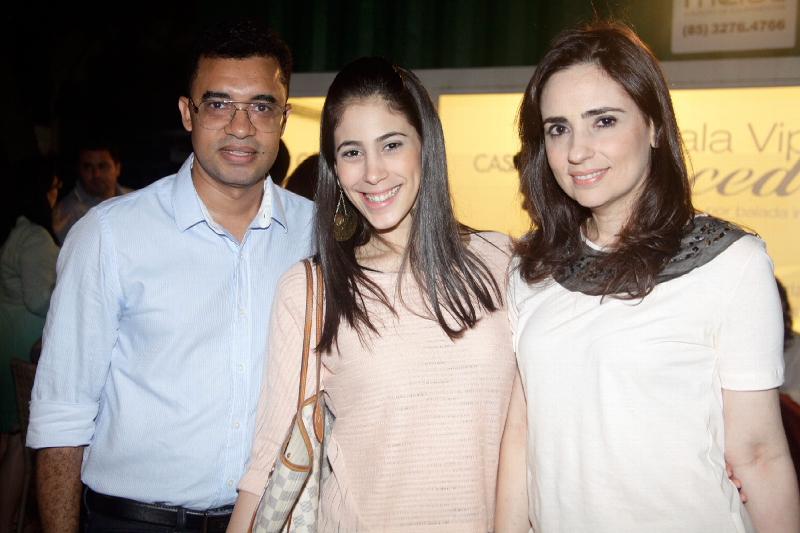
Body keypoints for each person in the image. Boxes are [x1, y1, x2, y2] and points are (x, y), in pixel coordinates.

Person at [497, 21, 800, 533]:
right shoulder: (532, 271)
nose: (577, 151)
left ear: (655, 125)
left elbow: (758, 454)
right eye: (558, 128)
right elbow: (522, 434)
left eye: (604, 121)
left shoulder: (733, 263)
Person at [27, 19, 314, 533]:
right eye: (219, 104)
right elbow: (61, 414)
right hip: (135, 521)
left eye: (261, 106)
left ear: (284, 118)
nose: (241, 127)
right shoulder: (110, 236)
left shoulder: (315, 235)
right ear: (187, 112)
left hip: (274, 519)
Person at [228, 57, 517, 532]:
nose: (373, 173)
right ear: (335, 168)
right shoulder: (312, 289)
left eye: (392, 144)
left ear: (426, 146)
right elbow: (268, 461)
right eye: (351, 152)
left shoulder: (501, 261)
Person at [0, 156, 60, 531]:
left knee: (10, 439)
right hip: (23, 347)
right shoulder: (34, 236)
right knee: (19, 443)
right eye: (54, 187)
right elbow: (41, 298)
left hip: (6, 337)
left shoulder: (11, 230)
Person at [52, 140, 132, 243]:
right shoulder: (65, 214)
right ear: (79, 170)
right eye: (87, 167)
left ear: (117, 168)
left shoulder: (136, 200)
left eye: (102, 166)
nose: (96, 174)